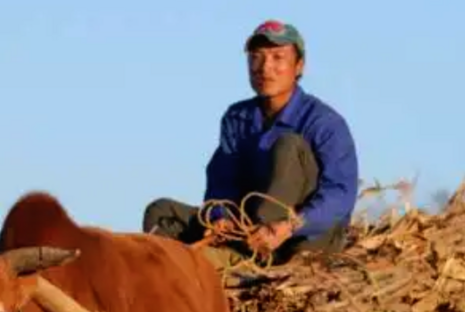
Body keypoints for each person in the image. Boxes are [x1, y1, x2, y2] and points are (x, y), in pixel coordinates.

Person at [143, 19, 359, 264]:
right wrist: (220, 216)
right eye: (256, 58)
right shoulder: (237, 118)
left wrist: (288, 226)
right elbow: (222, 179)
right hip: (246, 233)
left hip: (302, 238)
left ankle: (252, 259)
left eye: (278, 58)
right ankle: (215, 265)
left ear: (299, 66)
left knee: (288, 146)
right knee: (160, 213)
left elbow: (340, 195)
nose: (265, 68)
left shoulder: (324, 122)